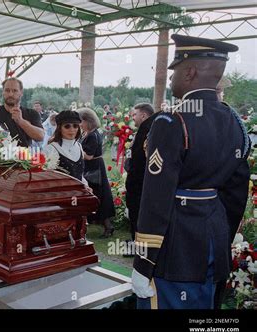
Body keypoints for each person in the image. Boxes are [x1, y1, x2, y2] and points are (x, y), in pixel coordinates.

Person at [131, 34, 250, 309]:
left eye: (174, 72)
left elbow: (156, 198)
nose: (171, 79)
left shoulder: (170, 121)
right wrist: (222, 236)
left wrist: (143, 261)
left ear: (190, 72)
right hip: (212, 240)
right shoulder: (234, 121)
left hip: (175, 248)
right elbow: (236, 193)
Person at [123, 103, 156, 255]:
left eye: (134, 115)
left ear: (143, 115)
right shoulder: (145, 129)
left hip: (140, 183)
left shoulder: (148, 129)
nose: (132, 118)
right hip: (137, 182)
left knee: (139, 215)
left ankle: (140, 246)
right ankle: (137, 243)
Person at [78, 107, 115, 238]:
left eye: (80, 121)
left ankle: (108, 226)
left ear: (87, 121)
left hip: (94, 168)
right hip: (93, 167)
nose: (79, 124)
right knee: (97, 196)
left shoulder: (93, 135)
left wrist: (74, 150)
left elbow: (88, 155)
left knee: (98, 197)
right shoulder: (90, 134)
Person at [0, 78, 44, 147]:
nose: (11, 94)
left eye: (15, 91)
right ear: (3, 92)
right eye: (7, 90)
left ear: (21, 93)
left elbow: (40, 136)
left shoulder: (32, 113)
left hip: (23, 156)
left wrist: (21, 121)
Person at [44, 110, 87, 184]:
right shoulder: (51, 149)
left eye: (75, 126)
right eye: (67, 126)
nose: (72, 129)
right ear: (59, 128)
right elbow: (46, 178)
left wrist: (85, 185)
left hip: (80, 193)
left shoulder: (79, 146)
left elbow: (80, 175)